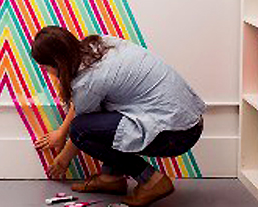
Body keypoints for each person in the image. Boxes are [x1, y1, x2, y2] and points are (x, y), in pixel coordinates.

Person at [30, 26, 205, 207]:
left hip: (177, 134)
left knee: (80, 131)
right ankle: (111, 178)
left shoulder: (88, 82)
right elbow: (86, 103)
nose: (46, 71)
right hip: (186, 119)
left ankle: (152, 181)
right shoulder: (98, 44)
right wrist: (61, 132)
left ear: (58, 63)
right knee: (102, 117)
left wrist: (62, 160)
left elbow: (82, 125)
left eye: (46, 67)